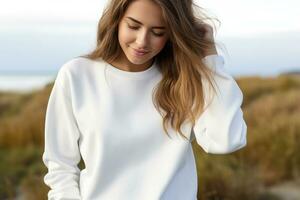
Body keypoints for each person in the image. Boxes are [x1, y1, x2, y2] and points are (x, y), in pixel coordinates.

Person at [42, 0, 247, 199]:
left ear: (172, 33)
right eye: (133, 26)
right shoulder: (77, 75)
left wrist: (209, 56)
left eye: (158, 32)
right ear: (117, 19)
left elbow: (226, 140)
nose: (142, 41)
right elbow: (60, 165)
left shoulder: (184, 80)